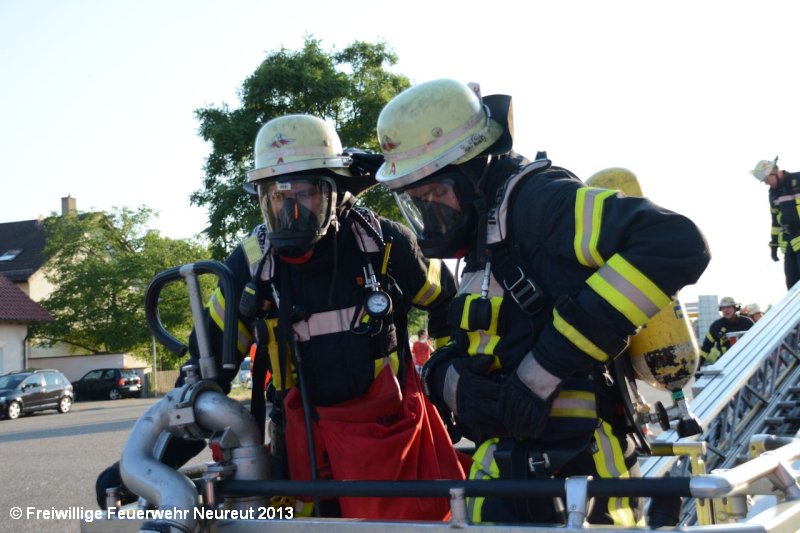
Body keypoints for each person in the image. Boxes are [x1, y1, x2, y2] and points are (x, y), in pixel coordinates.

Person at [374, 78, 710, 526]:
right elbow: (485, 343)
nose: (433, 212)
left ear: (474, 168)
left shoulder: (542, 203)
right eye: (417, 201)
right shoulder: (485, 237)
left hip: (582, 478)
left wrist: (542, 370)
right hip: (504, 472)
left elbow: (676, 242)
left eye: (437, 193)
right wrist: (448, 378)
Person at [98, 114, 464, 520]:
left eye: (304, 193)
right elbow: (204, 384)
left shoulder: (384, 245)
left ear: (335, 191)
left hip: (390, 447)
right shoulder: (250, 267)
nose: (290, 210)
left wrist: (448, 388)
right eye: (275, 195)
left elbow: (451, 307)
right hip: (300, 452)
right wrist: (145, 467)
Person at [750, 157, 800, 289]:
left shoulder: (798, 179)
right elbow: (775, 222)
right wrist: (774, 245)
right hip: (789, 244)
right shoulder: (773, 193)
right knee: (792, 287)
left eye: (767, 180)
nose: (766, 184)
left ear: (775, 171)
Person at [698, 296, 754, 368]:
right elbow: (705, 349)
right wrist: (697, 367)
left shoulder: (747, 323)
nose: (726, 310)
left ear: (735, 308)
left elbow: (757, 341)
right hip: (725, 365)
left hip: (746, 363)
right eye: (723, 308)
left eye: (728, 307)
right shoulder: (716, 326)